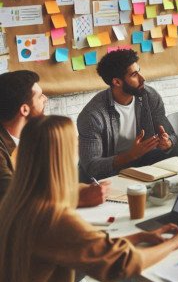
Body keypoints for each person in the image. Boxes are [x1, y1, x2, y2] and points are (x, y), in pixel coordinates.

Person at [0, 115, 178, 282]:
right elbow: (122, 265)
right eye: (74, 143)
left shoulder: (15, 202)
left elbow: (94, 247)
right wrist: (175, 243)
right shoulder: (52, 217)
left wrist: (140, 236)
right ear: (62, 156)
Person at [0, 70, 109, 207]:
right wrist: (76, 199)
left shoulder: (34, 135)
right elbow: (12, 198)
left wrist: (80, 189)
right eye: (40, 96)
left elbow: (47, 187)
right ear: (25, 110)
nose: (45, 99)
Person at [78, 49, 178, 181]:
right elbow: (92, 167)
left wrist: (168, 143)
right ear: (117, 82)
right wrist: (131, 155)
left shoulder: (149, 96)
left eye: (139, 71)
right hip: (108, 174)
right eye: (134, 75)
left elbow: (174, 137)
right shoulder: (92, 115)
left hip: (142, 163)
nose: (143, 79)